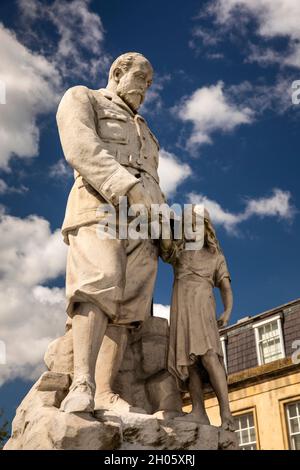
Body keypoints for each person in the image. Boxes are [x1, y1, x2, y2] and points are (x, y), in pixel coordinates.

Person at [56, 52, 166, 413]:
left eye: (150, 84)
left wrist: (165, 226)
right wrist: (126, 187)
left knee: (128, 305)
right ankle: (81, 383)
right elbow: (80, 147)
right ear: (118, 72)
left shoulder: (146, 130)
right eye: (141, 78)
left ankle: (105, 391)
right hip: (98, 204)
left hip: (143, 225)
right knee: (99, 282)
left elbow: (153, 180)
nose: (146, 89)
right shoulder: (82, 97)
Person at [161, 208, 234, 430]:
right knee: (189, 361)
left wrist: (227, 311)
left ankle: (226, 413)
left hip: (202, 303)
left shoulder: (215, 257)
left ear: (207, 228)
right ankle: (199, 411)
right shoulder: (180, 252)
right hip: (182, 306)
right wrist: (162, 219)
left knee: (210, 356)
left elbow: (226, 288)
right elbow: (164, 246)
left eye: (197, 224)